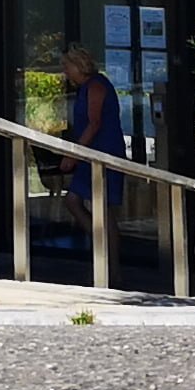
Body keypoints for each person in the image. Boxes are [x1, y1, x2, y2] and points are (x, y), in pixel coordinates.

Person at [55, 44, 124, 245]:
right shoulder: (85, 88)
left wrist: (72, 155)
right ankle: (101, 245)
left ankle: (111, 260)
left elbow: (94, 123)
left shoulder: (96, 86)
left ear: (79, 65)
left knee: (100, 204)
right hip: (90, 151)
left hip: (103, 150)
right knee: (76, 200)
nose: (65, 71)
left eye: (67, 66)